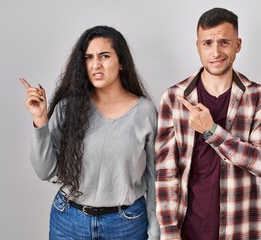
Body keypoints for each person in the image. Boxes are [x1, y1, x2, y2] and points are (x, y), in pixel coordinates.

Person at [20, 25, 159, 240]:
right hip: (69, 221)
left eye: (104, 56)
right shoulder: (68, 108)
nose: (96, 65)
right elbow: (44, 171)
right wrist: (40, 120)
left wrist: (156, 229)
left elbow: (155, 177)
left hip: (126, 225)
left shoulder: (145, 112)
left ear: (121, 62)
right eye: (88, 57)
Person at [155, 8, 261, 240]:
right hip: (187, 228)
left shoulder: (257, 95)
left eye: (224, 42)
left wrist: (212, 131)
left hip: (239, 228)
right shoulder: (174, 98)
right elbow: (166, 172)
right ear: (197, 46)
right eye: (207, 43)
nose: (216, 51)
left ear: (237, 45)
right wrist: (169, 232)